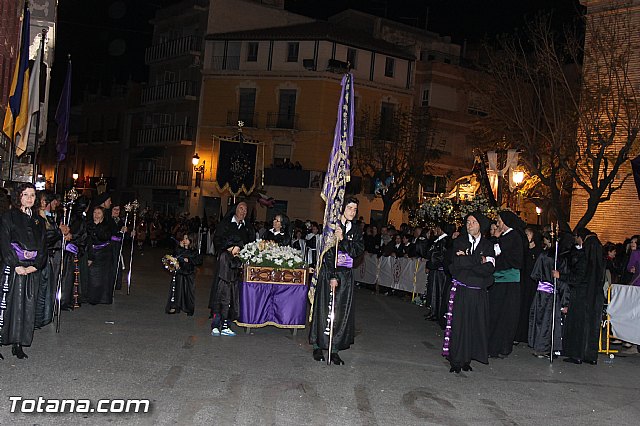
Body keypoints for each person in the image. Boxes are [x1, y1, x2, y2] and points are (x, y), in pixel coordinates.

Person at [309, 197, 364, 365]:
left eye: (355, 209)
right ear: (342, 209)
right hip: (329, 274)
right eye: (350, 208)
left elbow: (357, 251)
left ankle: (334, 349)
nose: (352, 212)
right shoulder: (331, 226)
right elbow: (326, 253)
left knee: (340, 312)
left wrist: (344, 240)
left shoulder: (355, 230)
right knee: (324, 309)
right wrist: (332, 275)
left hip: (345, 276)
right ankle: (318, 346)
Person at [442, 212, 495, 373]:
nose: (469, 224)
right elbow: (457, 263)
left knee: (474, 325)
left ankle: (467, 358)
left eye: (473, 222)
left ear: (481, 226)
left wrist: (468, 259)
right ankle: (456, 360)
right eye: (468, 221)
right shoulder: (460, 241)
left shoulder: (488, 245)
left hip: (478, 292)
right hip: (462, 291)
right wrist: (479, 259)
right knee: (459, 325)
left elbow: (490, 268)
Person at [0, 183, 46, 359]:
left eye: (33, 195)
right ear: (18, 196)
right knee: (7, 305)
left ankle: (18, 343)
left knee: (25, 307)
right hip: (13, 268)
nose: (29, 198)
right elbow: (4, 242)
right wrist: (15, 264)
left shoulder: (38, 221)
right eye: (25, 194)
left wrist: (35, 265)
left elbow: (43, 245)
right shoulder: (8, 217)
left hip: (30, 269)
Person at [561, 227, 605, 365]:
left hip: (582, 294)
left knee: (579, 324)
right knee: (592, 325)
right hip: (595, 294)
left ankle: (577, 354)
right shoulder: (597, 254)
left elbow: (578, 277)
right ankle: (590, 355)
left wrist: (561, 275)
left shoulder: (585, 254)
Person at [488, 210, 525, 359]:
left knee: (503, 315)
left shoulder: (512, 236)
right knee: (496, 314)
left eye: (498, 221)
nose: (497, 224)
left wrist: (495, 239)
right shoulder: (507, 236)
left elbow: (497, 252)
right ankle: (495, 345)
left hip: (507, 282)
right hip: (501, 280)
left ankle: (499, 346)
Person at [207, 201, 255, 315]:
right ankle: (218, 312)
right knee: (223, 285)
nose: (243, 211)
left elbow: (251, 244)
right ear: (235, 209)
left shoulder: (248, 227)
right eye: (241, 208)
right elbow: (217, 240)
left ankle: (233, 312)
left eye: (245, 210)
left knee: (236, 287)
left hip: (240, 262)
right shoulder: (225, 224)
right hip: (226, 261)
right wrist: (229, 249)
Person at [528, 232, 569, 358]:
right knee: (548, 321)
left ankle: (538, 345)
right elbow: (564, 281)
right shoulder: (561, 258)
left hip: (541, 292)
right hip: (551, 293)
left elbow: (535, 274)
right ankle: (544, 348)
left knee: (540, 320)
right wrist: (565, 300)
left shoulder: (544, 256)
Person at [210, 235, 244, 336]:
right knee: (220, 305)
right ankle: (215, 326)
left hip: (230, 285)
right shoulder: (224, 255)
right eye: (238, 248)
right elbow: (232, 266)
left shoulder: (229, 255)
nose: (238, 251)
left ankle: (225, 326)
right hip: (224, 285)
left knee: (229, 306)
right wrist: (237, 260)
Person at [515, 226, 544, 343]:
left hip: (533, 285)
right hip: (523, 283)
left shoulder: (539, 252)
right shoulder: (523, 250)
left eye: (528, 235)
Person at [166, 233, 202, 316]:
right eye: (184, 238)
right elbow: (175, 256)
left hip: (189, 273)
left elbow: (199, 261)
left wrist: (189, 260)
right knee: (177, 290)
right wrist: (180, 248)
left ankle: (188, 308)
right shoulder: (180, 249)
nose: (184, 240)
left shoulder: (194, 251)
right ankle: (175, 306)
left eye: (187, 239)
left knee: (188, 291)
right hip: (179, 272)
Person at [86, 207, 114, 305]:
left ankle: (104, 298)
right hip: (92, 252)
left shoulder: (107, 225)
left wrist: (97, 227)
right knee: (93, 277)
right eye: (94, 212)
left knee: (104, 277)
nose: (96, 215)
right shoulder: (89, 224)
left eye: (99, 213)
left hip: (104, 253)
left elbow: (104, 237)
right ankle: (92, 298)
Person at [425, 223, 450, 322]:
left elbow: (440, 256)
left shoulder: (444, 240)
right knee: (433, 290)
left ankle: (438, 313)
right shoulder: (438, 240)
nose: (435, 230)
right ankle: (433, 311)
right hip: (435, 269)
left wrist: (433, 263)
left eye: (436, 228)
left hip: (439, 271)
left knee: (439, 292)